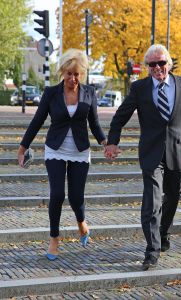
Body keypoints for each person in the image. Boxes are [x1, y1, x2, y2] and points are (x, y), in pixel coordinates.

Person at [105, 44, 181, 271]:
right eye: (152, 64)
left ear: (168, 63)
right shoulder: (139, 88)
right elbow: (121, 116)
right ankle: (152, 250)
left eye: (161, 63)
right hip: (151, 153)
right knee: (152, 200)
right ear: (147, 67)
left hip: (178, 152)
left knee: (173, 196)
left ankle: (163, 232)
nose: (157, 67)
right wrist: (112, 142)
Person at [18, 49, 107, 260]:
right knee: (57, 194)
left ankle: (81, 223)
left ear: (81, 74)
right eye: (69, 74)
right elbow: (37, 120)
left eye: (77, 74)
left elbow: (94, 123)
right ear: (62, 72)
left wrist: (105, 142)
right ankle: (54, 239)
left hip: (80, 151)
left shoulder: (89, 93)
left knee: (76, 198)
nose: (72, 79)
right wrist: (23, 147)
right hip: (55, 149)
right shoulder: (51, 93)